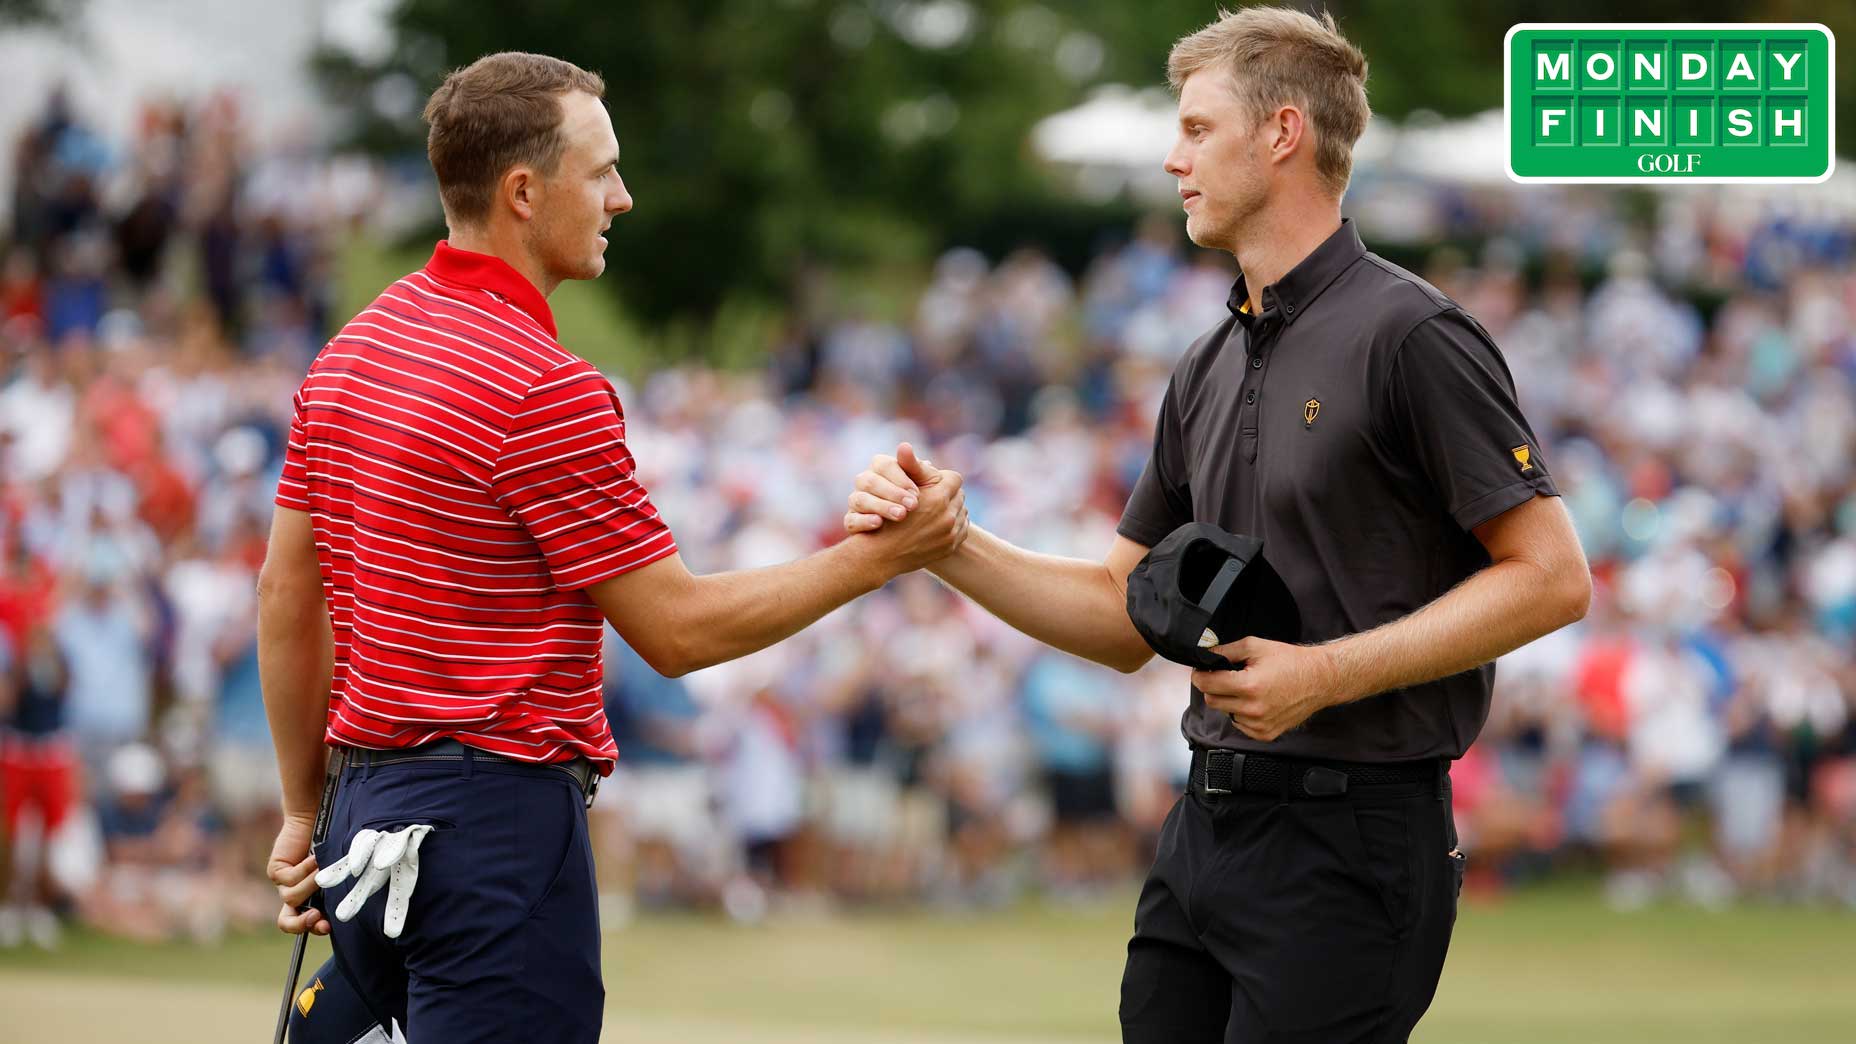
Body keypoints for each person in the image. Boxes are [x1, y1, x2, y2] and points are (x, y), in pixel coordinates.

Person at [845, 8, 1591, 1042]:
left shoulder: (1412, 334)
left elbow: (1551, 576)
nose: (1171, 158)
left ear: (1280, 133)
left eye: (1196, 129)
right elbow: (1118, 615)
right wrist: (949, 547)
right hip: (1205, 822)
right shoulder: (1205, 362)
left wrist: (1324, 675)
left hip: (1358, 834)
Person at [259, 52, 968, 1044]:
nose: (621, 198)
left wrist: (302, 811)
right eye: (600, 172)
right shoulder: (540, 386)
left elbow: (288, 600)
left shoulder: (349, 355)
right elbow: (676, 631)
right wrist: (882, 558)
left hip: (363, 813)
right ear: (522, 192)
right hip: (491, 833)